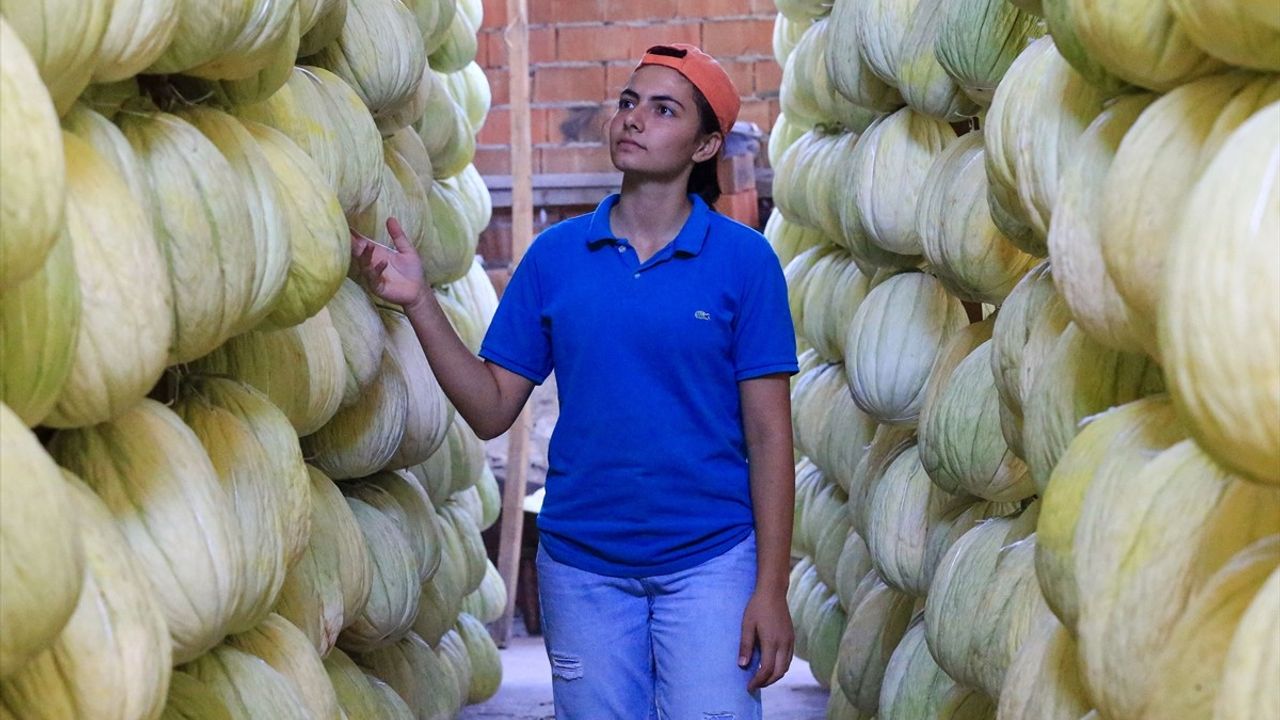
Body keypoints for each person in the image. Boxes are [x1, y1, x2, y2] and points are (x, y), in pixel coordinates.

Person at [351, 43, 797, 719]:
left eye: (664, 110)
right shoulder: (554, 257)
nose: (633, 118)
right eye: (628, 102)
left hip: (711, 562)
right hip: (583, 567)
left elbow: (770, 438)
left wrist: (771, 587)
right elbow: (490, 407)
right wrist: (419, 303)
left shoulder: (745, 261)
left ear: (705, 145)